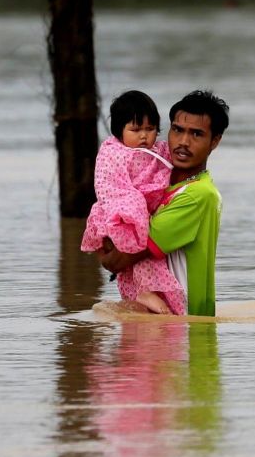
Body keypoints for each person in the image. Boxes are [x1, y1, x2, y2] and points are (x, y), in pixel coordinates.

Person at [97, 90, 229, 317]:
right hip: (165, 328)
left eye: (196, 134)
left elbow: (117, 259)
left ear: (214, 141)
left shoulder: (197, 195)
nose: (183, 142)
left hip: (182, 329)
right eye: (177, 130)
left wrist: (104, 243)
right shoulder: (159, 186)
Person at [81, 90, 185, 315]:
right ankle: (144, 291)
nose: (144, 136)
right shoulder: (113, 153)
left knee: (149, 257)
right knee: (133, 242)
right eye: (135, 129)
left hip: (147, 214)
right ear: (119, 131)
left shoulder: (161, 151)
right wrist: (131, 207)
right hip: (118, 211)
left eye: (150, 129)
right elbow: (107, 185)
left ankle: (146, 299)